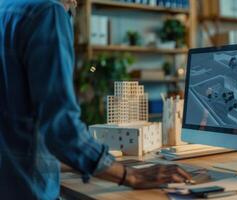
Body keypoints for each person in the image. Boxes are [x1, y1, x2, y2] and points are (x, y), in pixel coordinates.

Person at [0, 0, 191, 199]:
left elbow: (17, 128)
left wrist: (84, 162)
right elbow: (61, 129)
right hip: (29, 189)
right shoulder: (47, 12)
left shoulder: (6, 8)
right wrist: (129, 175)